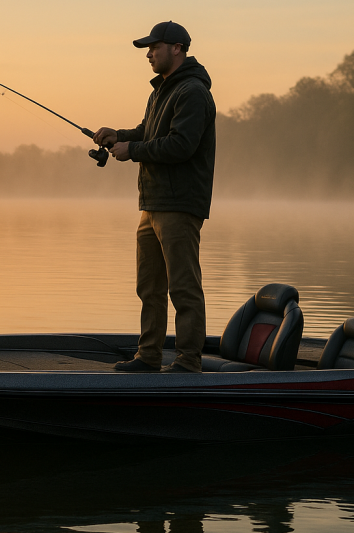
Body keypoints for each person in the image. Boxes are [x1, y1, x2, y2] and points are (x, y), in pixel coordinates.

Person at [94, 21, 216, 373]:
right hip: (152, 205)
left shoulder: (192, 91)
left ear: (176, 48)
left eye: (154, 47)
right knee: (149, 287)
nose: (148, 53)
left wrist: (132, 149)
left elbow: (181, 145)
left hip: (179, 205)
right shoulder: (161, 91)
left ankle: (188, 361)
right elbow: (149, 132)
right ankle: (148, 357)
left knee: (183, 288)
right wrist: (118, 134)